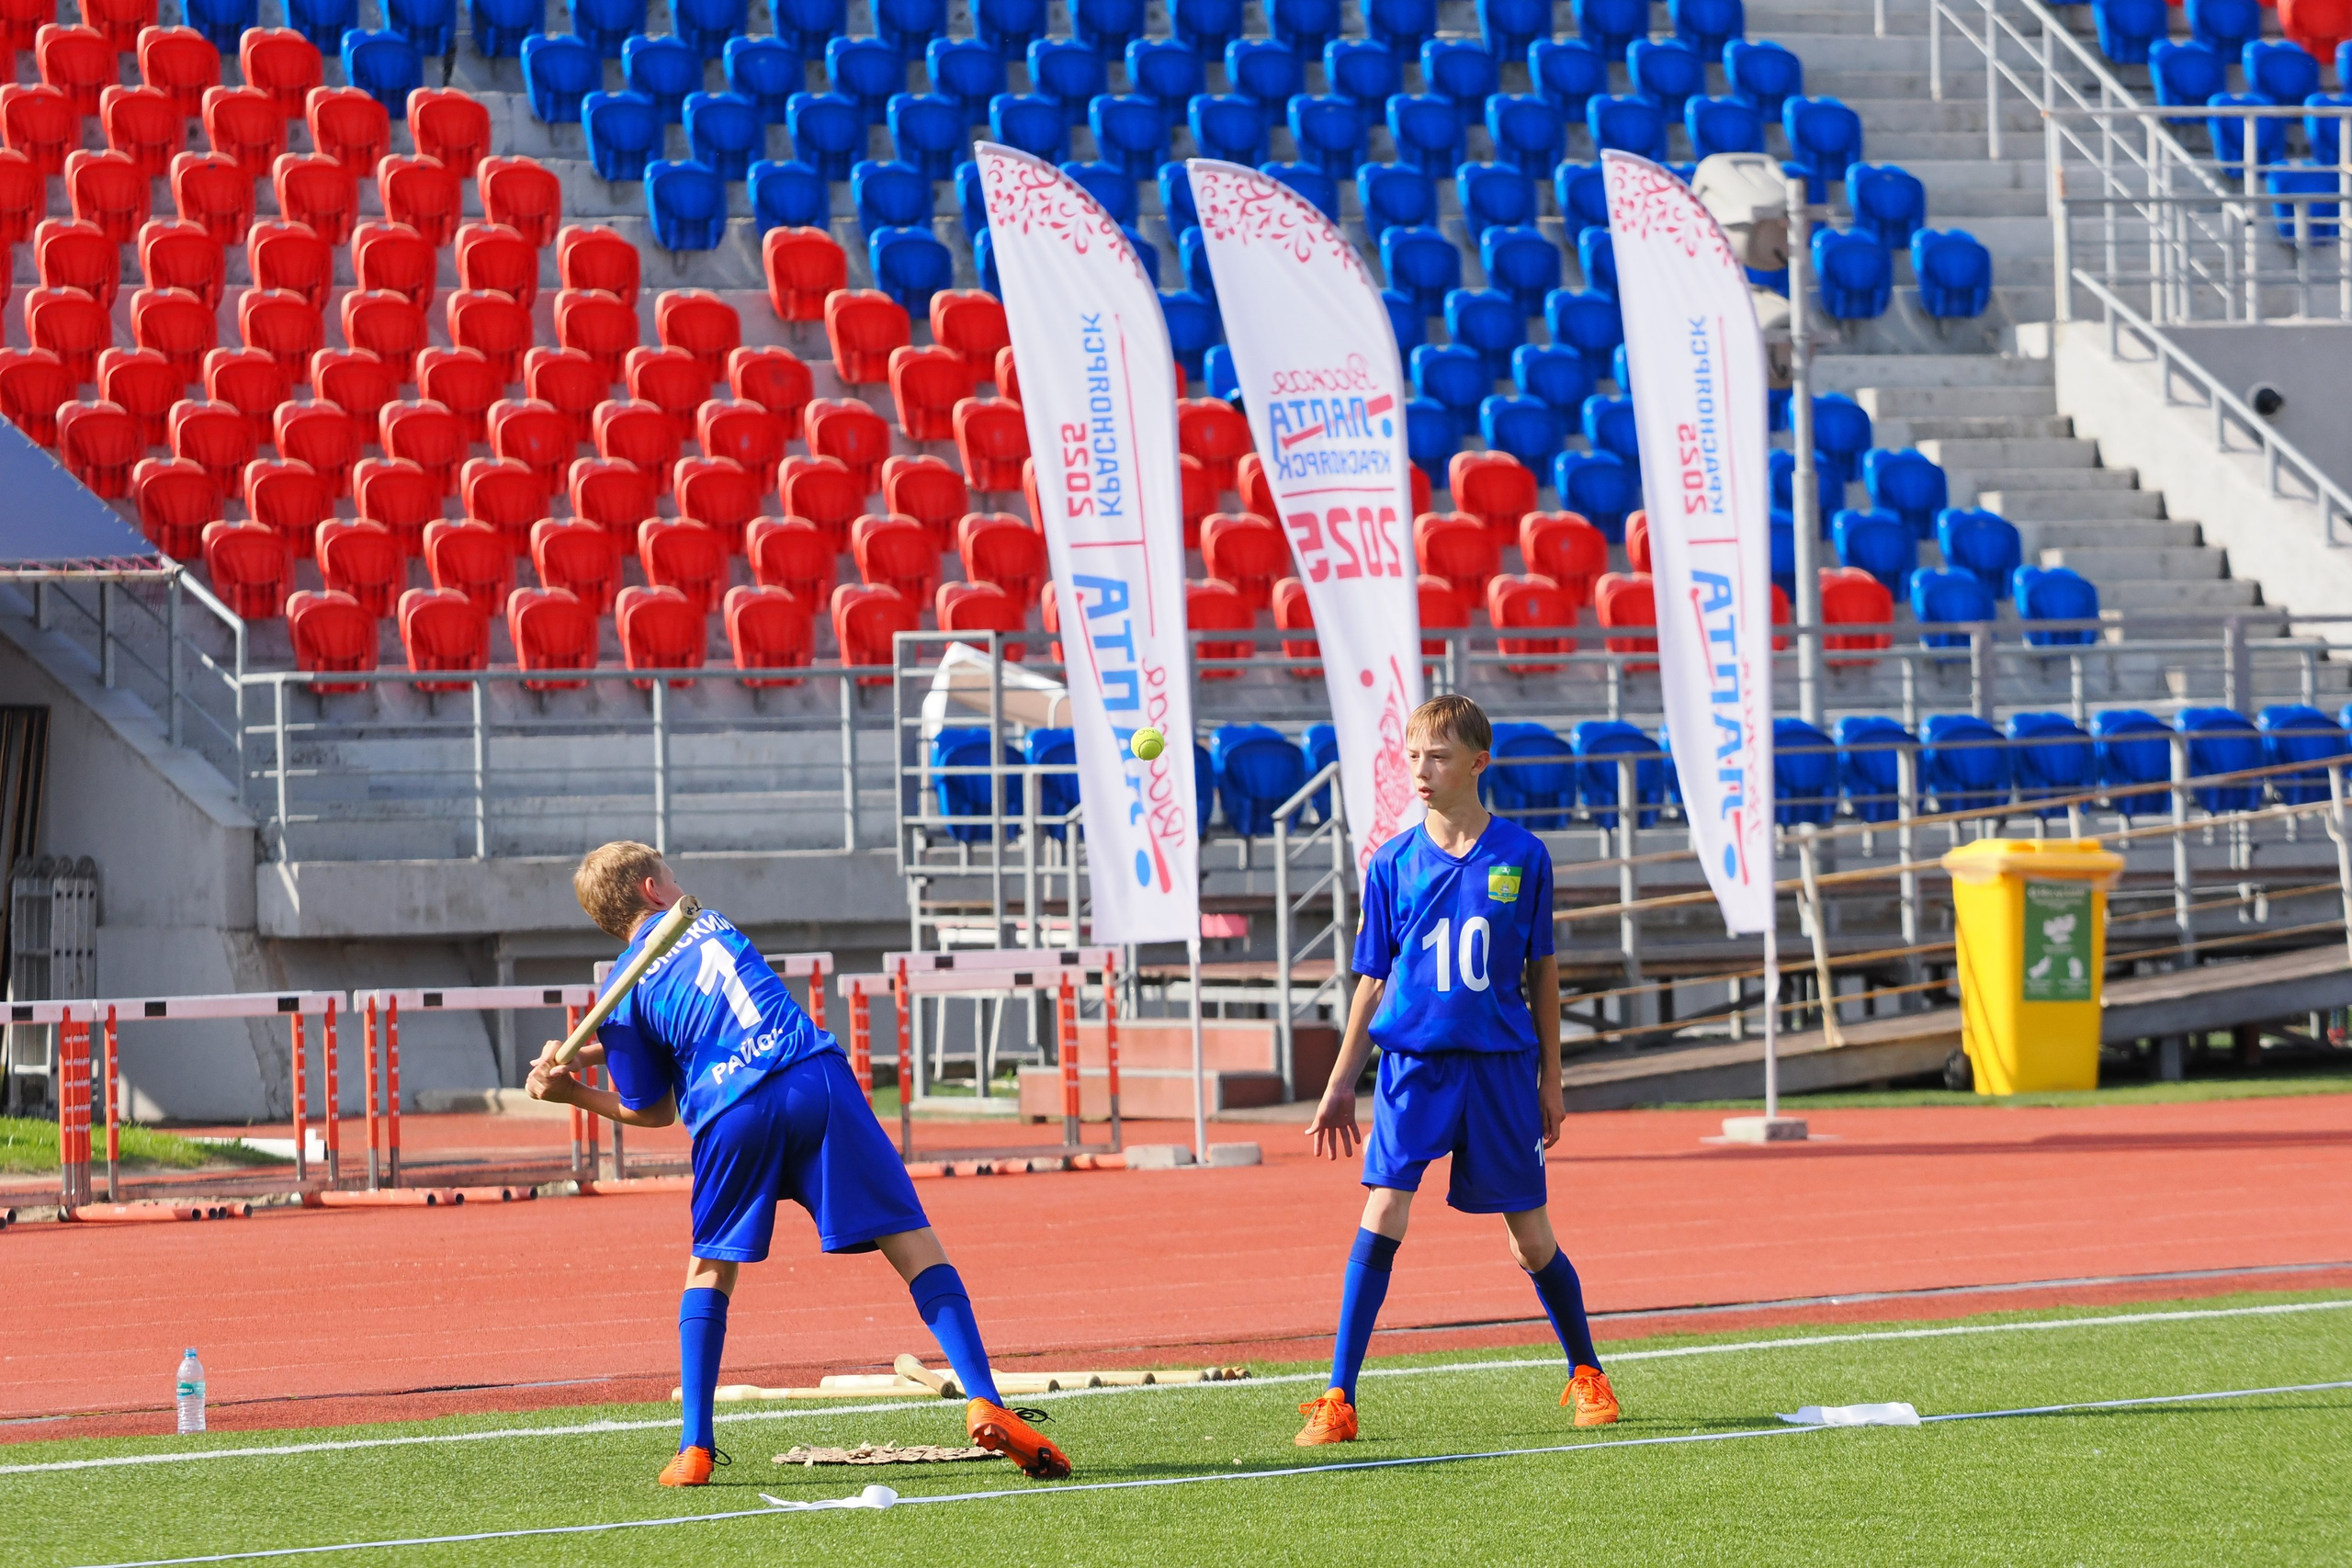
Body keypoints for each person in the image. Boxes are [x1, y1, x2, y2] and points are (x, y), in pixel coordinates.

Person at [527, 841, 1070, 1486]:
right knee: (912, 1242)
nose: (681, 883)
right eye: (673, 875)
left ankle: (694, 1447)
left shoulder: (622, 992)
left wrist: (572, 1089)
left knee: (709, 1269)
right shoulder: (712, 922)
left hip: (731, 1113)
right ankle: (985, 1397)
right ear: (652, 888)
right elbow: (703, 1014)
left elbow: (652, 1109)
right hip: (811, 1077)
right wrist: (595, 1053)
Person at [1295, 695, 1619, 1445]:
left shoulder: (1524, 856)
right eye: (1412, 755)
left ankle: (1588, 1372)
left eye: (1437, 755)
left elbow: (1542, 973)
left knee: (1530, 1239)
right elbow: (1371, 978)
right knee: (1382, 1211)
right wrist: (1344, 1077)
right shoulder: (1392, 862)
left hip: (1503, 1069)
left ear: (1478, 762)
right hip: (1414, 1065)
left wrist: (1552, 1078)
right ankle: (1339, 1395)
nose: (1420, 769)